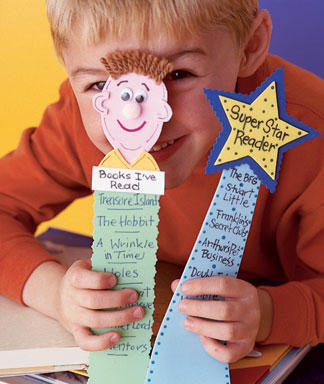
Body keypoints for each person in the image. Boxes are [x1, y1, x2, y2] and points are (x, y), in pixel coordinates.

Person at [0, 0, 323, 365]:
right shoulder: (76, 120)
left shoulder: (311, 137)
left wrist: (268, 314)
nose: (139, 119)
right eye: (102, 83)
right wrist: (55, 293)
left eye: (178, 74)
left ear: (249, 46)